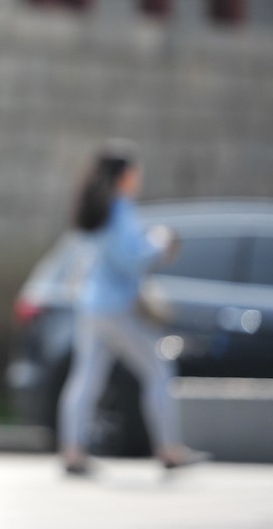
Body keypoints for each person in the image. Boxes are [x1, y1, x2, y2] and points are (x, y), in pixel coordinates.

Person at [57, 140, 207, 474]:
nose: (139, 177)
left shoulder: (95, 208)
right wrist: (159, 242)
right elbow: (131, 259)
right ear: (124, 175)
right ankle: (169, 449)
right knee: (157, 372)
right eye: (135, 171)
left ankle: (72, 450)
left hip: (91, 306)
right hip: (118, 306)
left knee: (86, 379)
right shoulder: (119, 208)